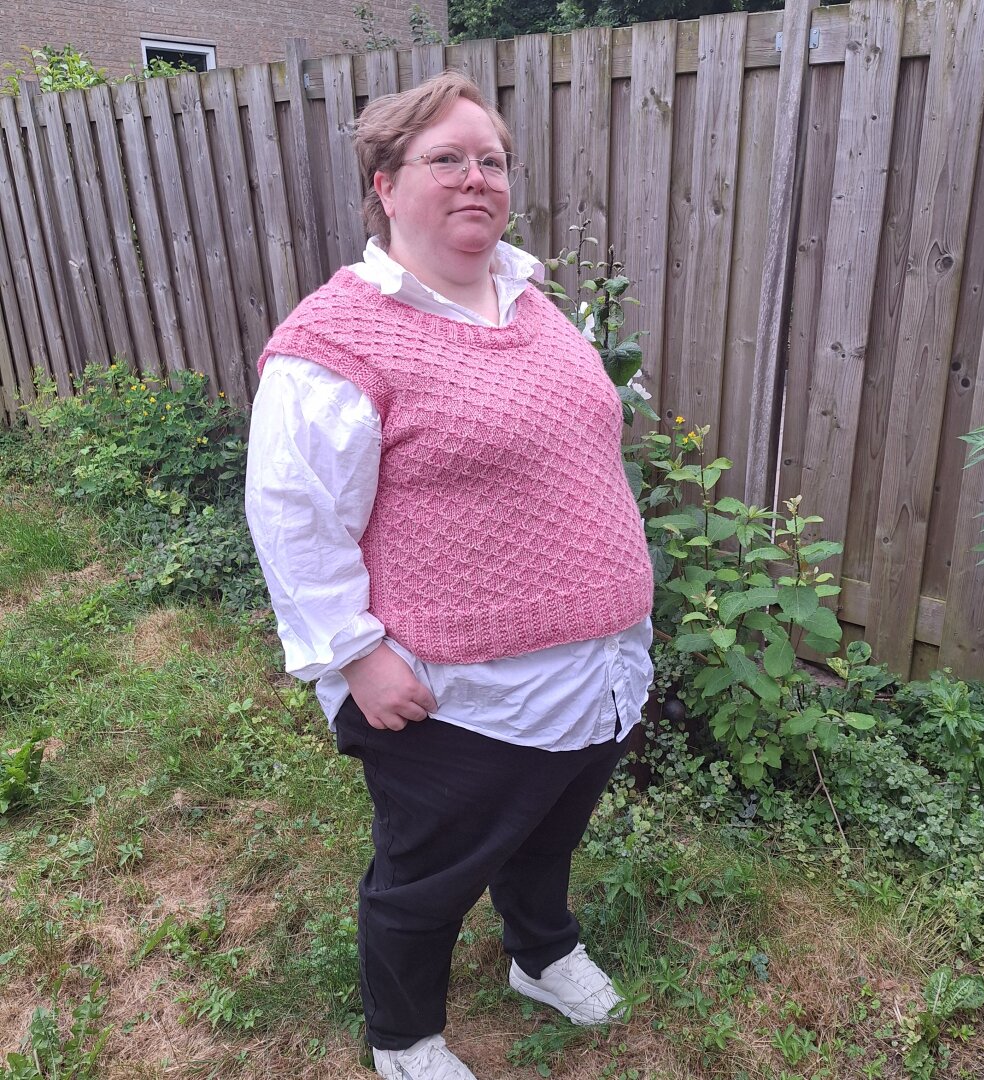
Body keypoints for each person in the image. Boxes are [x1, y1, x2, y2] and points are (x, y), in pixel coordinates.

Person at [245, 71, 654, 1080]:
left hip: (597, 666)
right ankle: (405, 1038)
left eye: (492, 160)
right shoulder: (337, 338)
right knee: (424, 877)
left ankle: (541, 954)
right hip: (459, 690)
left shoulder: (534, 300)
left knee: (548, 835)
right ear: (385, 183)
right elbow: (294, 514)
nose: (477, 178)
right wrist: (357, 654)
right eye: (446, 159)